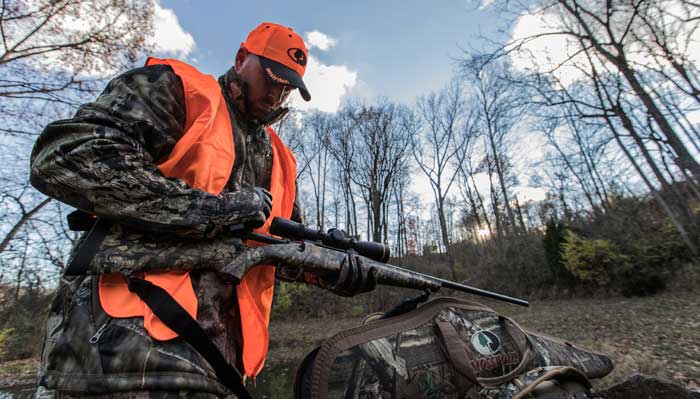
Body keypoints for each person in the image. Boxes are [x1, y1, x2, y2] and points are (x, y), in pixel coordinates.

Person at [30, 22, 375, 399]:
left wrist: (336, 273)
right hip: (117, 357)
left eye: (288, 87)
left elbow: (283, 252)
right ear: (242, 58)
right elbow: (64, 157)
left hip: (218, 370)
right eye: (272, 79)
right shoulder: (179, 92)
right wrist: (216, 211)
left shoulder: (279, 158)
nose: (277, 94)